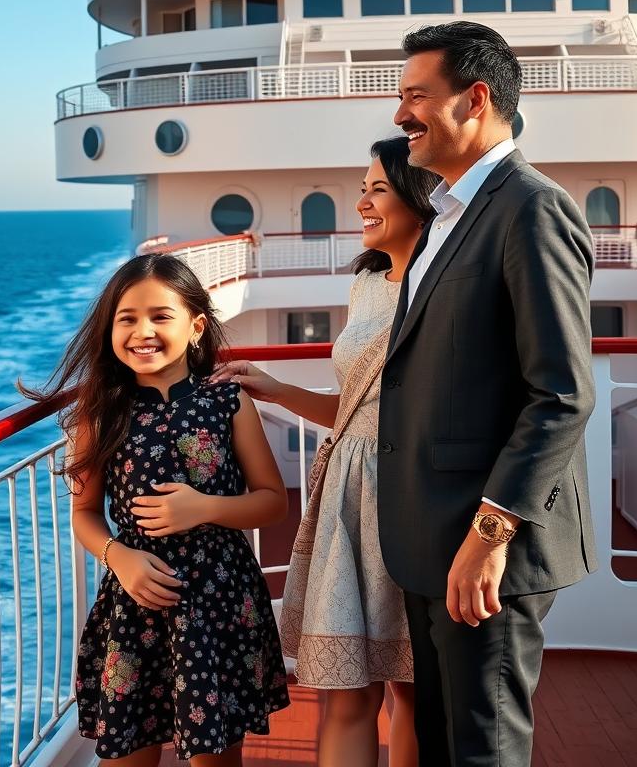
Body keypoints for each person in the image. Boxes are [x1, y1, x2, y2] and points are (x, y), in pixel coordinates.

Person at [380, 21, 596, 766]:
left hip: (483, 547)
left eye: (415, 96)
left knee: (484, 750)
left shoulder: (531, 208)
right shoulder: (449, 212)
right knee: (444, 745)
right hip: (432, 541)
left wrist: (490, 536)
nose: (400, 114)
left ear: (475, 100)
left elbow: (562, 393)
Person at [211, 136, 440, 767]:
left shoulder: (444, 288)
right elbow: (356, 408)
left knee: (415, 692)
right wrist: (274, 387)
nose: (362, 202)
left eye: (379, 189)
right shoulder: (366, 285)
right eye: (362, 188)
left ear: (422, 199)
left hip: (410, 494)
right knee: (345, 694)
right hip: (346, 492)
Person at [24, 253, 290, 765]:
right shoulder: (100, 413)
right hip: (137, 598)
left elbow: (272, 503)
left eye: (159, 316)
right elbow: (84, 514)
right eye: (127, 319)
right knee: (129, 752)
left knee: (215, 756)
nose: (141, 331)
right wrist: (117, 556)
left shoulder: (228, 401)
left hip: (218, 600)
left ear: (196, 326)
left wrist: (204, 507)